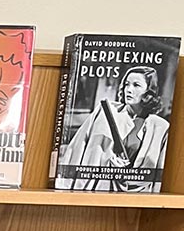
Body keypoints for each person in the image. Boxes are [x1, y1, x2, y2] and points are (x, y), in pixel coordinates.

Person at [64, 65, 170, 193]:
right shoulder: (105, 112)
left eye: (136, 85)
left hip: (135, 198)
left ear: (149, 91)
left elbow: (158, 175)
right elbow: (76, 148)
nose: (128, 90)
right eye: (126, 84)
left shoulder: (160, 127)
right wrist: (108, 160)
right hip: (95, 189)